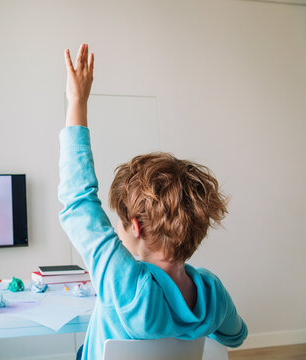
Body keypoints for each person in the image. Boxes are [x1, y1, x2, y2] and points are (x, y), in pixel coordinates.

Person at [59, 44, 247, 360]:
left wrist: (77, 101)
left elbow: (78, 202)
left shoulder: (127, 285)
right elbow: (237, 336)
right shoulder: (212, 294)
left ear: (134, 226)